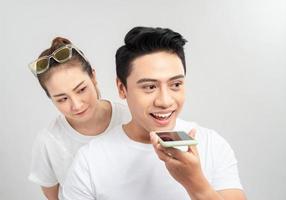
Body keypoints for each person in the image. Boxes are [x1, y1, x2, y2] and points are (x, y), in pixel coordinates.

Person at [62, 27, 247, 200]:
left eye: (176, 85)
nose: (165, 101)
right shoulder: (89, 162)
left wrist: (196, 184)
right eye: (150, 87)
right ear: (122, 88)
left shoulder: (212, 145)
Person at [28, 37, 131, 200]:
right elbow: (53, 197)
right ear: (51, 98)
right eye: (62, 99)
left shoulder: (130, 118)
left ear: (93, 77)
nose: (76, 105)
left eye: (81, 89)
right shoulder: (48, 142)